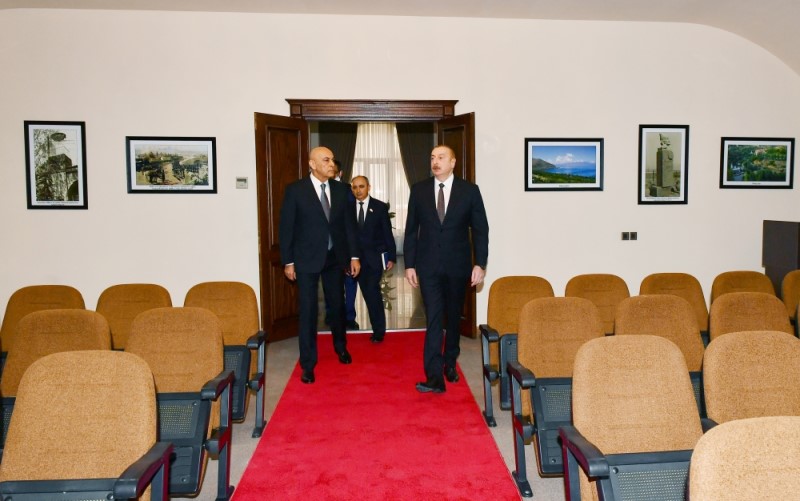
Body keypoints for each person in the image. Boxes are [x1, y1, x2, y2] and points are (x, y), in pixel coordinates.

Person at [404, 145, 489, 393]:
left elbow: (481, 229)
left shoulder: (469, 191)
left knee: (453, 317)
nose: (435, 161)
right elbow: (411, 230)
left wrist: (480, 263)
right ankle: (434, 377)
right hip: (428, 265)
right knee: (433, 317)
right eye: (432, 157)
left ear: (453, 162)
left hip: (457, 265)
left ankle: (450, 362)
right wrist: (409, 264)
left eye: (441, 157)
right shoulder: (419, 190)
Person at [279, 146, 361, 384]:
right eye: (326, 160)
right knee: (308, 311)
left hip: (335, 258)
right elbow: (287, 227)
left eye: (332, 160)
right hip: (306, 259)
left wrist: (354, 256)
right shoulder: (296, 190)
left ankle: (341, 347)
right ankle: (308, 363)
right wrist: (288, 261)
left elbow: (349, 226)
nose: (331, 164)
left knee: (337, 306)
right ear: (312, 164)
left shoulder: (342, 190)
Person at [350, 175, 397, 343]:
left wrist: (391, 256)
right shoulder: (347, 208)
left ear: (368, 187)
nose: (358, 190)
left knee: (372, 293)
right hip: (353, 260)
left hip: (373, 259)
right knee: (358, 293)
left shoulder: (379, 207)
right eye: (355, 187)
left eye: (361, 186)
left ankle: (378, 331)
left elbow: (387, 233)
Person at [326, 161, 360, 330]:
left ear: (340, 173)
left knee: (350, 283)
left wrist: (353, 253)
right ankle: (331, 313)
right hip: (327, 250)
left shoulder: (347, 191)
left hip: (345, 248)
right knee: (329, 285)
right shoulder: (318, 190)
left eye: (334, 171)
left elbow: (351, 222)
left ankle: (349, 316)